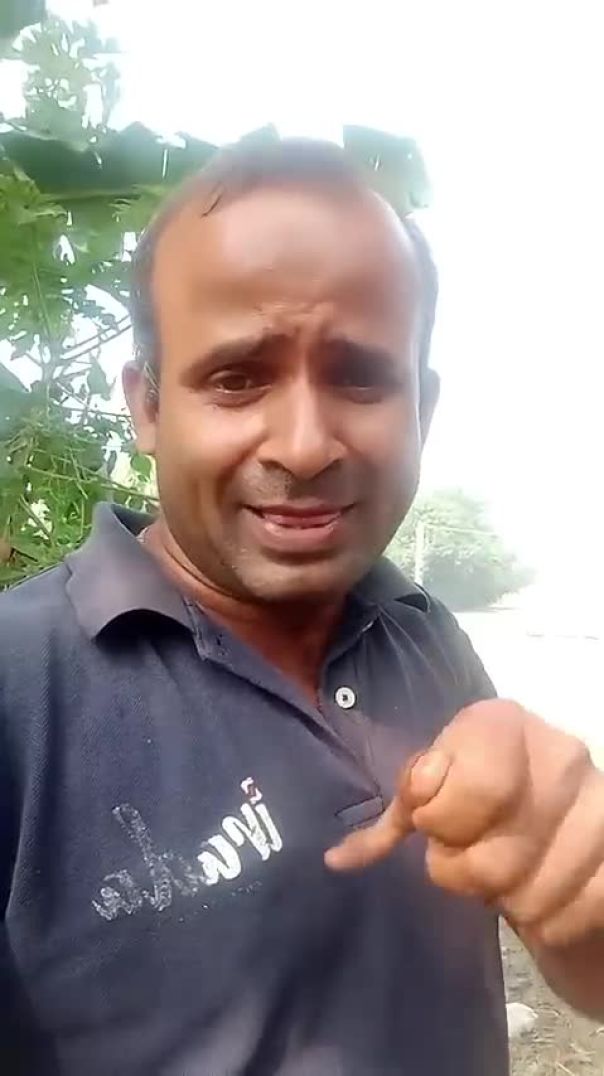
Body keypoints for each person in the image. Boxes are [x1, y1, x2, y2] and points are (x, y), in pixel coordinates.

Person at [1, 139, 602, 1076]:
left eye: (360, 377)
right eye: (238, 377)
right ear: (147, 407)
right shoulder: (19, 692)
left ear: (422, 408)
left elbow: (586, 970)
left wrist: (580, 902)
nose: (307, 444)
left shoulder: (426, 636)